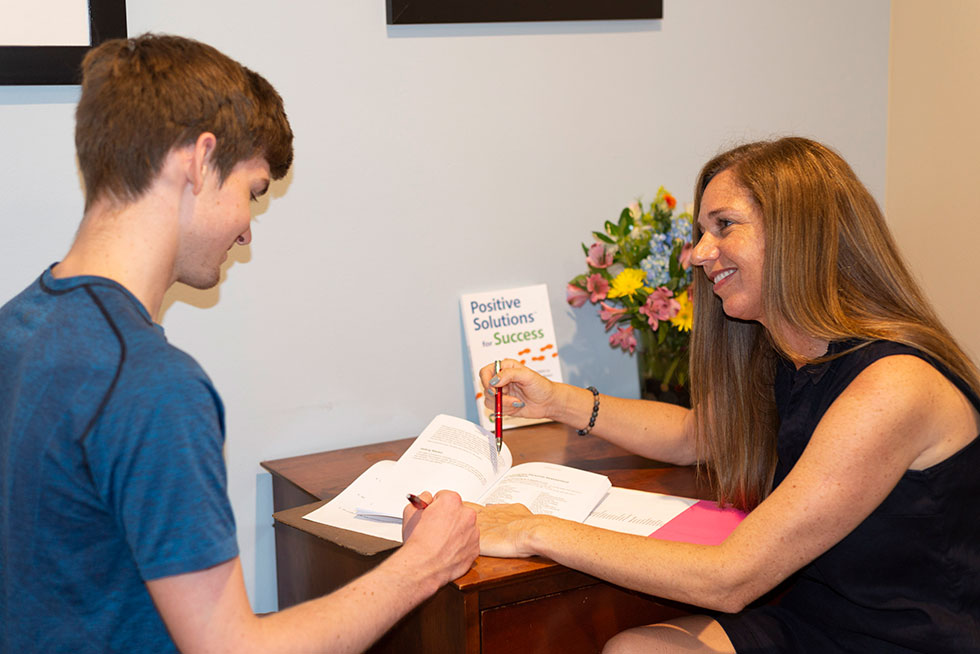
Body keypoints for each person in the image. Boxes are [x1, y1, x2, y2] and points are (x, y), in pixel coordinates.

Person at [0, 34, 478, 654]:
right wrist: (425, 564)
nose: (247, 233)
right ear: (199, 161)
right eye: (252, 191)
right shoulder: (150, 385)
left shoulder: (19, 325)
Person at [475, 137, 980, 653]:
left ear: (799, 231)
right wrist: (556, 401)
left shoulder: (894, 385)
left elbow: (730, 578)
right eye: (700, 232)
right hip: (819, 619)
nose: (698, 254)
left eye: (724, 226)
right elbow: (696, 434)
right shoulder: (794, 351)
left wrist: (530, 530)